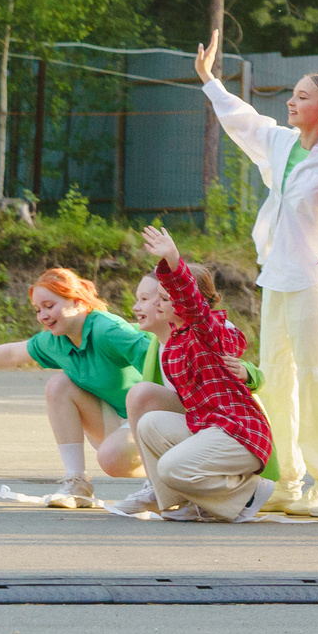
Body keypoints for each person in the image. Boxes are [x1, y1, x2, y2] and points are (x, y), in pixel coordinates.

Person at [195, 35, 318, 516]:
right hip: (275, 277)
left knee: (317, 379)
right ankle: (285, 480)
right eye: (292, 95)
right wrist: (210, 80)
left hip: (317, 281)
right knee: (273, 380)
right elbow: (242, 121)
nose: (291, 101)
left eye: (302, 96)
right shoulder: (281, 142)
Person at [0, 268, 151, 507]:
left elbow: (160, 361)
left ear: (76, 301)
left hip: (151, 420)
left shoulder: (108, 330)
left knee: (112, 459)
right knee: (58, 385)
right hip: (117, 420)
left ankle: (164, 478)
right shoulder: (56, 340)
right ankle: (77, 484)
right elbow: (11, 353)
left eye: (49, 306)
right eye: (37, 310)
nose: (43, 315)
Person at [112, 224, 277, 522]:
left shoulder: (207, 330)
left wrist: (173, 259)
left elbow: (192, 304)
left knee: (172, 467)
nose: (158, 303)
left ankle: (249, 493)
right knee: (149, 424)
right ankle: (180, 503)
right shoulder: (175, 339)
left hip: (238, 433)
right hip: (209, 427)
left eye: (165, 297)